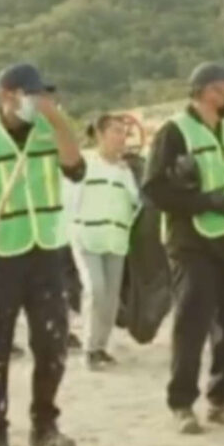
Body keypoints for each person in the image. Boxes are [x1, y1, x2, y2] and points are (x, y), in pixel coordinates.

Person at [0, 62, 85, 446]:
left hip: (47, 250)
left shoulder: (50, 129)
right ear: (6, 95)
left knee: (52, 344)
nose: (38, 101)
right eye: (31, 94)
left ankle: (44, 425)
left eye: (42, 94)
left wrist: (55, 118)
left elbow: (75, 168)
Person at [142, 63, 224, 434]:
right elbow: (154, 190)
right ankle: (182, 402)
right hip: (192, 241)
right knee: (192, 322)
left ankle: (222, 397)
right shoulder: (174, 131)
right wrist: (204, 202)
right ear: (207, 91)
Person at [72, 113, 141, 369]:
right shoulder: (84, 163)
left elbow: (136, 202)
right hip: (87, 238)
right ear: (100, 135)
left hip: (116, 241)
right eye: (115, 131)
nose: (121, 137)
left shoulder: (125, 171)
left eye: (124, 132)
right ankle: (89, 348)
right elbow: (70, 199)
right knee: (95, 289)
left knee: (111, 297)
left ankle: (101, 346)